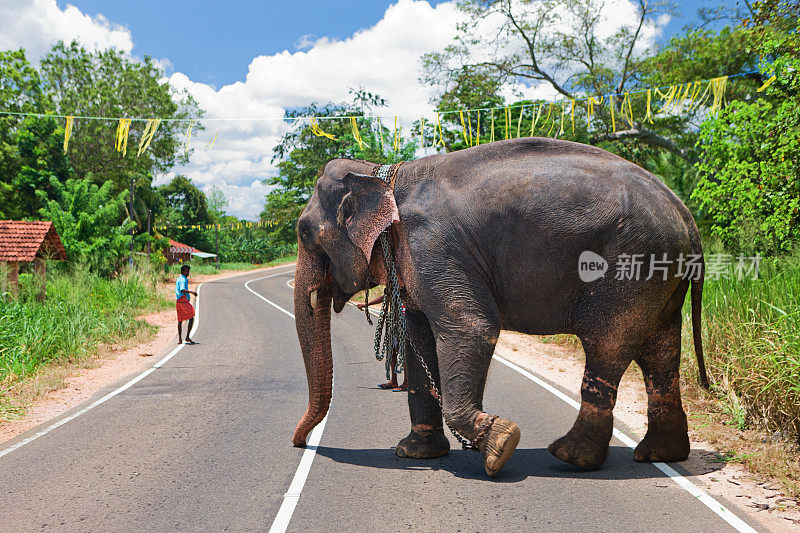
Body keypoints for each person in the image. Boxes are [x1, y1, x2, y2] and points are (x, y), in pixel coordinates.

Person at [357, 292, 407, 391]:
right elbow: (385, 296)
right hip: (394, 323)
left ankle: (406, 383)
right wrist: (366, 304)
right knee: (392, 352)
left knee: (405, 354)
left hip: (405, 324)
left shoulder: (407, 288)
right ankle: (394, 381)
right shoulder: (394, 286)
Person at [176, 264, 198, 344]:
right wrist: (192, 292)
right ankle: (187, 337)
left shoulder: (179, 278)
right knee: (191, 317)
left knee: (180, 320)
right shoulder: (183, 280)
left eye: (188, 271)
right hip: (183, 301)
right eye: (186, 271)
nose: (187, 272)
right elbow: (182, 289)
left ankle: (180, 339)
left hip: (179, 301)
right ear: (182, 271)